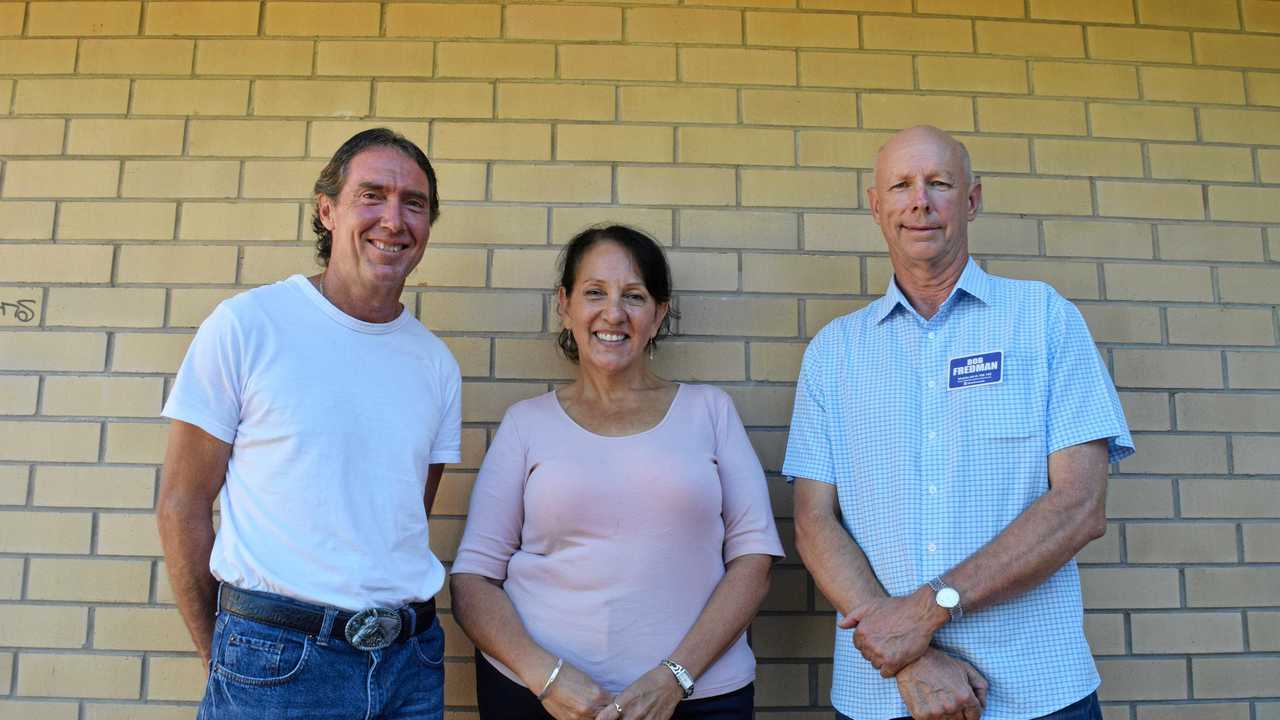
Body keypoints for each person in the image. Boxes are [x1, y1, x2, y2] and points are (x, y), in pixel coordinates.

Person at [784, 125, 1134, 720]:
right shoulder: (834, 352)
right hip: (884, 693)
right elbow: (815, 521)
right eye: (901, 185)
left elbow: (1080, 505)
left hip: (1035, 689)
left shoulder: (1044, 320)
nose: (920, 200)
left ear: (971, 200)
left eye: (939, 183)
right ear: (877, 205)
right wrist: (907, 655)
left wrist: (928, 612)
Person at [156, 127, 461, 720]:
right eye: (371, 195)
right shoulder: (249, 325)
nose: (393, 219)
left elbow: (401, 519)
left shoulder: (436, 364)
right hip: (275, 663)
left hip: (410, 665)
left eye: (414, 203)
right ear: (327, 211)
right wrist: (223, 656)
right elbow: (181, 507)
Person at [450, 225, 784, 720]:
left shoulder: (710, 412)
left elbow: (754, 560)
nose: (613, 313)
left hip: (700, 698)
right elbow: (473, 579)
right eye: (594, 293)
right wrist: (548, 678)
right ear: (564, 306)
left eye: (634, 296)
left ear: (659, 314)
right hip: (537, 699)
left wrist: (674, 678)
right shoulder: (526, 423)